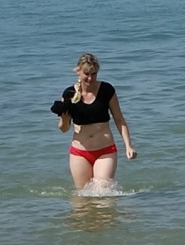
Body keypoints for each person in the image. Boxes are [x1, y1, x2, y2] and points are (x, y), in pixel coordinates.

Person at [50, 53, 137, 190]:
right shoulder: (69, 94)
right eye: (86, 74)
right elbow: (64, 128)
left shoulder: (107, 90)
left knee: (101, 193)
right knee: (83, 199)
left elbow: (119, 120)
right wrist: (64, 119)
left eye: (94, 74)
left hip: (105, 150)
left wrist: (128, 145)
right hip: (79, 152)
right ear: (78, 71)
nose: (90, 78)